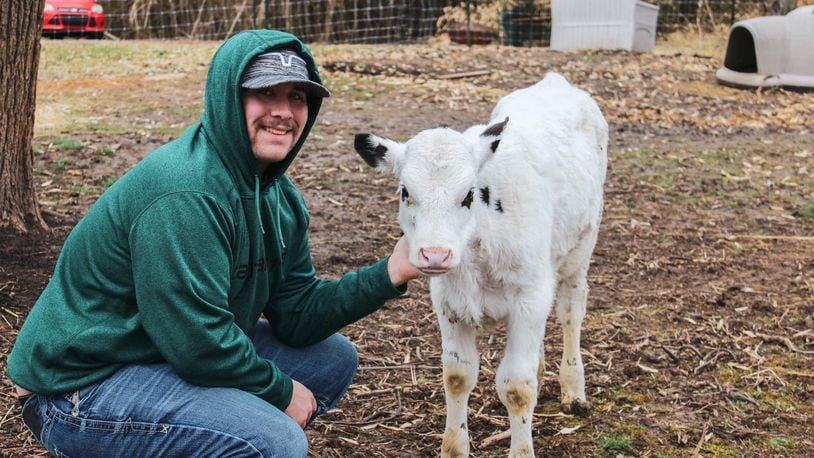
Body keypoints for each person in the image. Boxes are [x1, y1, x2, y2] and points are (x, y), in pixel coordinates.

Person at [7, 29, 422, 457]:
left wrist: (389, 273)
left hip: (157, 351)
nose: (284, 112)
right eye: (265, 94)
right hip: (80, 386)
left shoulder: (279, 197)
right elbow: (197, 341)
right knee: (272, 440)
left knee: (331, 359)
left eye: (297, 97)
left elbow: (296, 315)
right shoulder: (186, 193)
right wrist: (278, 392)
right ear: (229, 97)